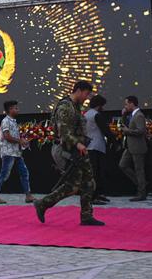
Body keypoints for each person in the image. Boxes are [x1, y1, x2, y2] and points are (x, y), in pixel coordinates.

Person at [34, 80, 104, 226]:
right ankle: (43, 203)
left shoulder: (75, 106)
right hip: (67, 150)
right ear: (78, 90)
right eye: (86, 94)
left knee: (89, 183)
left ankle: (86, 215)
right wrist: (77, 143)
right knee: (73, 186)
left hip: (77, 150)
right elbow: (63, 131)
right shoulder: (65, 106)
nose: (87, 98)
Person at [0, 100, 34, 205]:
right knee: (4, 174)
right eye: (16, 108)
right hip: (8, 153)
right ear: (10, 109)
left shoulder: (13, 121)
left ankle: (28, 195)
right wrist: (20, 141)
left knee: (24, 172)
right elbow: (7, 136)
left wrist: (22, 143)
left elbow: (13, 137)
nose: (18, 110)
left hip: (16, 153)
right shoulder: (6, 121)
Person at [119, 95, 148, 201]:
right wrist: (123, 116)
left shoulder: (139, 115)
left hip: (137, 147)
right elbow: (124, 126)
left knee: (139, 169)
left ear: (132, 103)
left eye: (126, 104)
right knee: (122, 165)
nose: (125, 106)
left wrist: (128, 131)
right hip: (130, 146)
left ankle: (142, 192)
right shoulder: (131, 115)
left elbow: (141, 131)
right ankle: (141, 184)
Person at [84, 94, 112, 205]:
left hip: (89, 145)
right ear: (99, 105)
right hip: (97, 145)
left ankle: (97, 194)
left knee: (94, 172)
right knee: (97, 172)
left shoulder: (86, 114)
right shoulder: (96, 115)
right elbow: (106, 130)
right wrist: (113, 140)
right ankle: (95, 195)